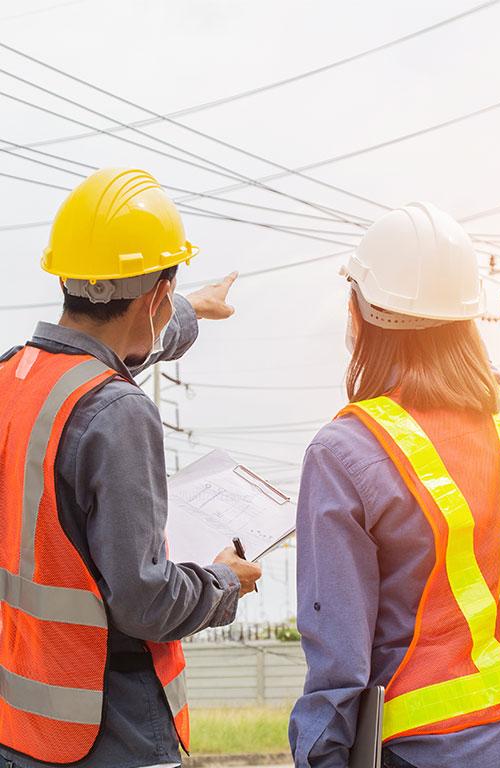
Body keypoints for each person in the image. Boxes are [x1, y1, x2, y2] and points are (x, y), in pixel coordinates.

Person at [0, 168, 262, 768]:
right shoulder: (118, 412)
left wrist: (188, 310)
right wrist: (222, 583)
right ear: (154, 297)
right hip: (108, 729)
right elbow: (145, 603)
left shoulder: (13, 376)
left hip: (21, 722)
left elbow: (99, 367)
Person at [290, 202, 500, 768]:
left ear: (359, 311)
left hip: (428, 747)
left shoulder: (345, 452)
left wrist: (321, 754)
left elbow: (337, 655)